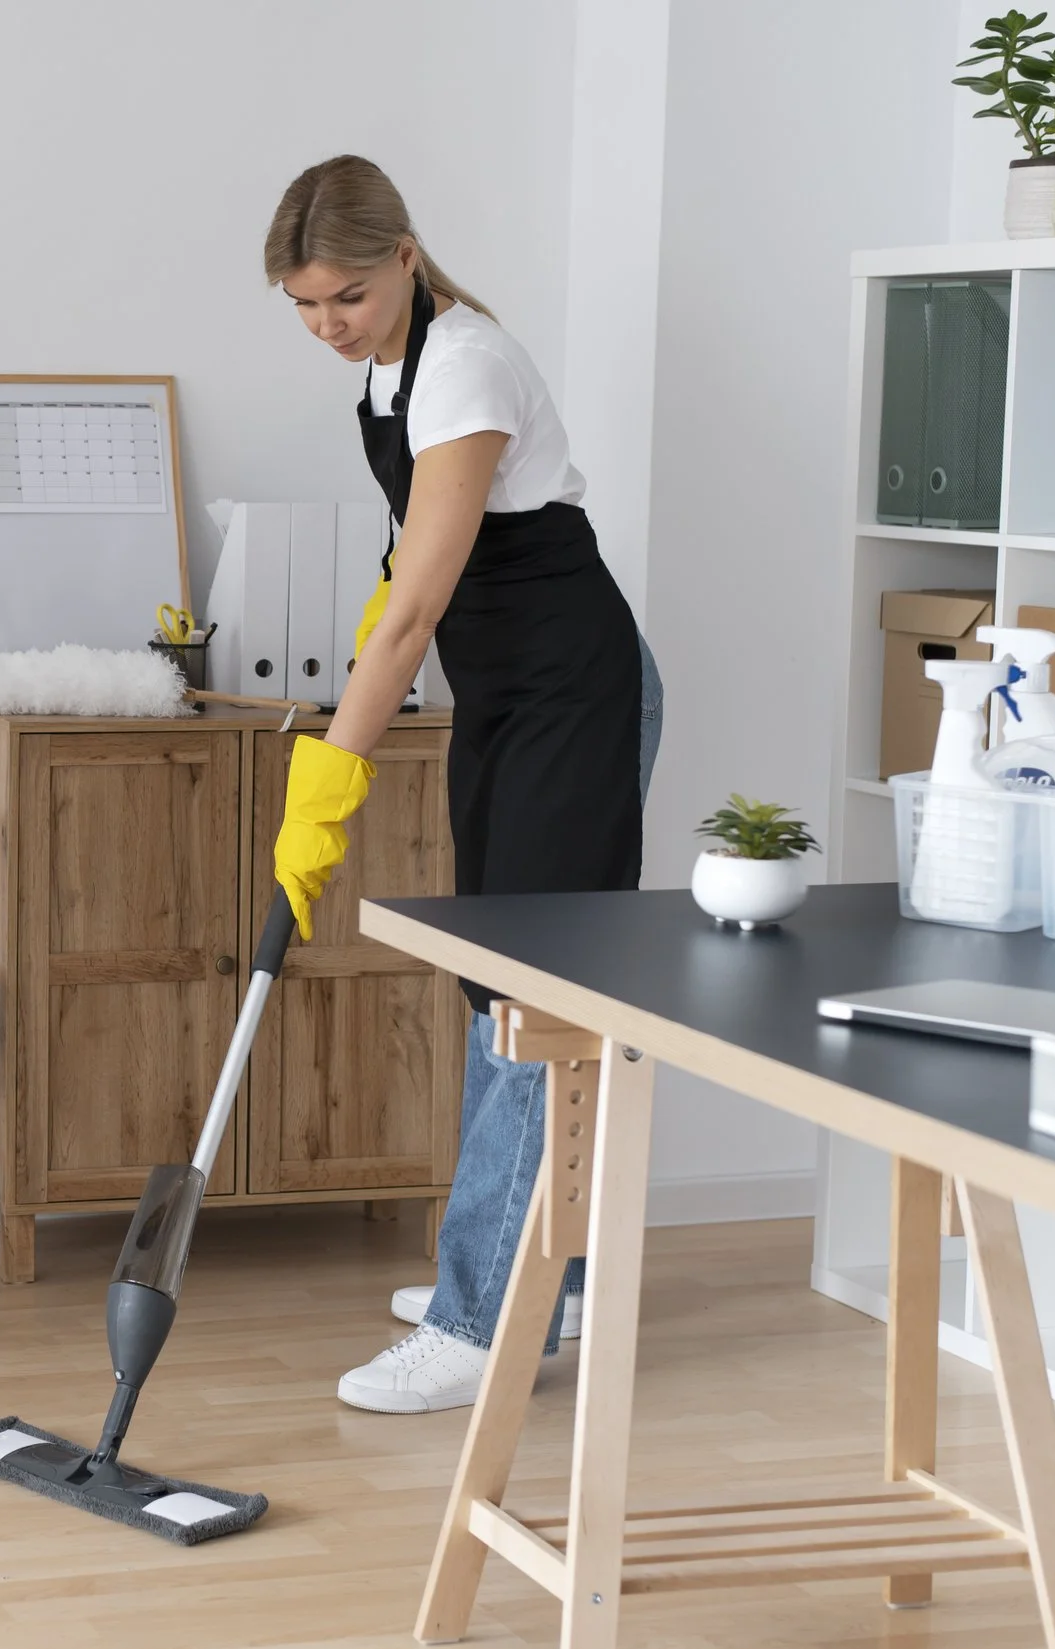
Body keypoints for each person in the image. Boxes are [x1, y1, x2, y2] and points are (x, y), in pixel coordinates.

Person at [262, 155, 663, 1415]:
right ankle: (562, 1274)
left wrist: (332, 771)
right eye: (305, 306)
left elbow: (416, 607)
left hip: (575, 697)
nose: (330, 326)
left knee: (534, 994)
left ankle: (481, 1319)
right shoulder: (391, 369)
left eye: (346, 299)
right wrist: (338, 738)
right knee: (506, 978)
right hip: (507, 697)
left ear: (403, 257)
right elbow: (403, 574)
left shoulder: (465, 363)